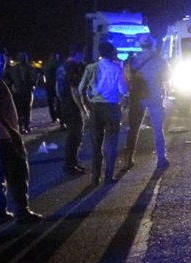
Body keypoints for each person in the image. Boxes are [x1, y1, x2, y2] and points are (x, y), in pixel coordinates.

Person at [0, 45, 43, 225]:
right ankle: (22, 212)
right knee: (18, 173)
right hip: (0, 135)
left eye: (2, 59)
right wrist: (11, 131)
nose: (1, 63)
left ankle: (0, 213)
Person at [78, 42, 127, 185]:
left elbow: (81, 88)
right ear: (110, 53)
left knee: (96, 143)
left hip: (95, 108)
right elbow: (123, 90)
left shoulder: (90, 68)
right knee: (111, 142)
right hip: (112, 107)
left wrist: (86, 105)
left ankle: (95, 177)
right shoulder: (117, 68)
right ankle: (108, 176)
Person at [123, 34, 171, 169]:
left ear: (140, 45)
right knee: (158, 129)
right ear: (152, 44)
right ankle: (161, 158)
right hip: (154, 97)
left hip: (137, 97)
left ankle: (129, 159)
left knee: (133, 128)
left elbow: (127, 77)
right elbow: (168, 76)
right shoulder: (159, 60)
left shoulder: (133, 60)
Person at [55, 45, 88, 175]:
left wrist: (63, 100)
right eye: (82, 55)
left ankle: (74, 162)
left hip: (65, 103)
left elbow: (57, 87)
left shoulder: (61, 66)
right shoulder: (73, 67)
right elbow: (74, 89)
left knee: (72, 134)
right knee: (75, 135)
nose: (83, 57)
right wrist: (82, 108)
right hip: (72, 105)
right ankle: (70, 165)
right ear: (78, 54)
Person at [4, 52, 40, 134]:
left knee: (18, 110)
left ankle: (20, 126)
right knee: (26, 109)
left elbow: (6, 78)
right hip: (25, 91)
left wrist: (11, 85)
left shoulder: (13, 69)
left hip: (17, 92)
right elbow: (34, 80)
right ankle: (26, 126)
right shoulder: (30, 68)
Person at [42, 52, 63, 128]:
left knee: (50, 102)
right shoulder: (57, 64)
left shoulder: (46, 64)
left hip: (48, 85)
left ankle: (53, 117)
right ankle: (58, 115)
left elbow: (43, 75)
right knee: (59, 101)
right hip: (56, 84)